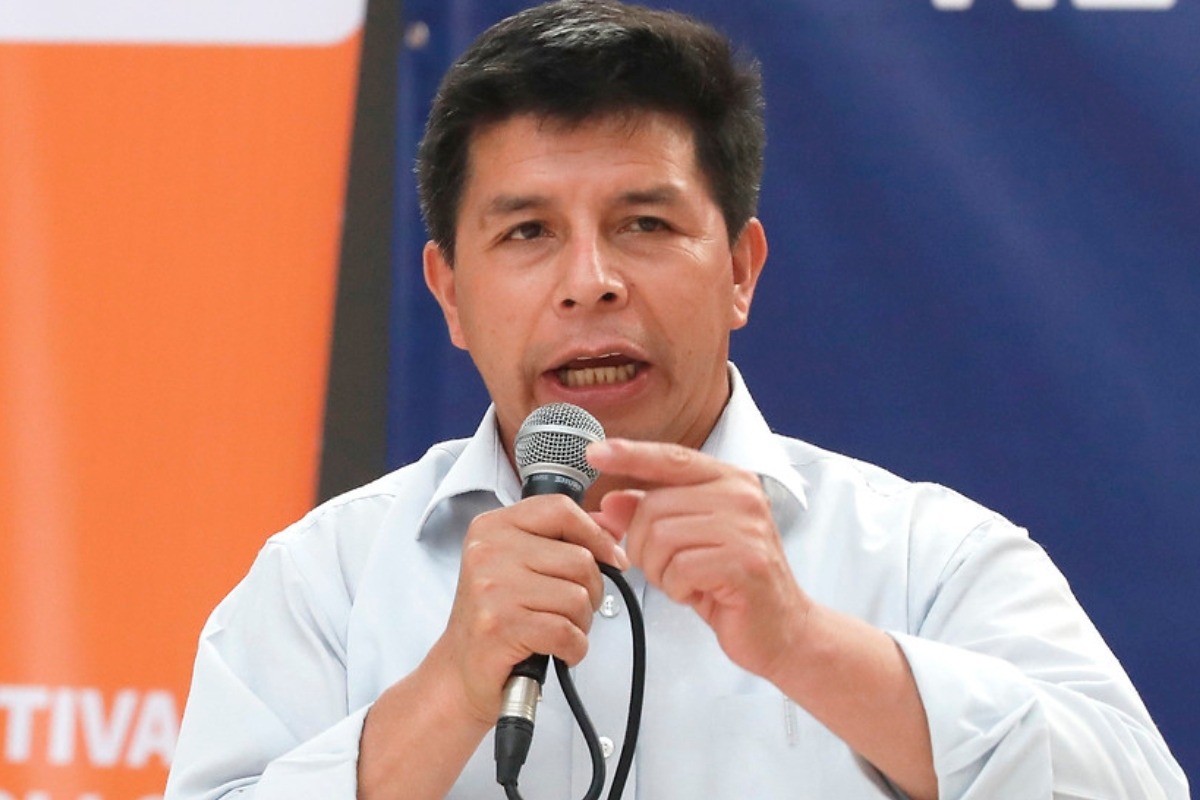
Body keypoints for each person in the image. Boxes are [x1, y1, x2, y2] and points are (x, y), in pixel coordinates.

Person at [164, 2, 1188, 798]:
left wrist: (806, 644)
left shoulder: (928, 559)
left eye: (644, 224)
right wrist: (448, 691)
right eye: (527, 233)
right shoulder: (329, 581)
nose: (590, 282)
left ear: (740, 269)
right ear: (451, 295)